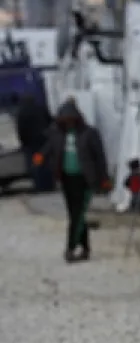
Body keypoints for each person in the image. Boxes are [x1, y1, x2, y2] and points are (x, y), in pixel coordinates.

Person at [41, 101, 109, 262]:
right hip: (66, 178)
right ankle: (85, 248)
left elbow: (100, 157)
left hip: (85, 179)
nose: (68, 122)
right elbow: (49, 147)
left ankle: (70, 248)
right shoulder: (56, 133)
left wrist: (104, 179)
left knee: (78, 215)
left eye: (71, 119)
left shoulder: (89, 133)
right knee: (76, 215)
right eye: (65, 119)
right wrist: (41, 156)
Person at [16, 94, 53, 192]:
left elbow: (21, 129)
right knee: (45, 163)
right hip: (44, 141)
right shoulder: (41, 109)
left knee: (35, 164)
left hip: (31, 144)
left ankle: (39, 185)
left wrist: (23, 142)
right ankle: (49, 184)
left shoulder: (22, 112)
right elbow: (51, 122)